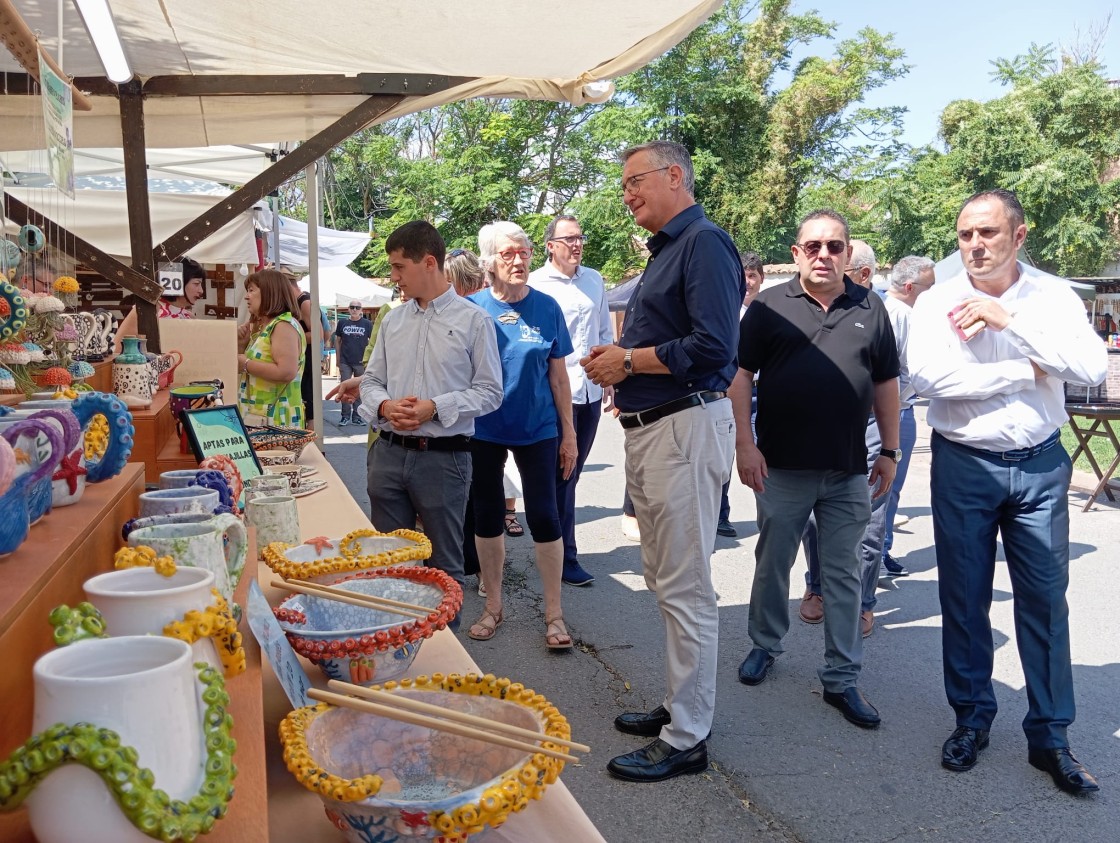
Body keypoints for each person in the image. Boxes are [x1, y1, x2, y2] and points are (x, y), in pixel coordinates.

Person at [908, 189, 1105, 794]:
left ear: (1019, 236)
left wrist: (1008, 322)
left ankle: (1050, 735)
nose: (974, 246)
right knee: (964, 598)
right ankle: (971, 719)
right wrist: (1025, 370)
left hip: (1042, 466)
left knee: (1045, 602)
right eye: (966, 234)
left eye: (988, 233)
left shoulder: (1050, 297)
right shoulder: (938, 298)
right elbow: (926, 377)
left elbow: (1090, 367)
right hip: (965, 463)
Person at [583, 141, 742, 783]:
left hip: (683, 425)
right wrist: (624, 358)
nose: (627, 194)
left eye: (635, 181)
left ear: (676, 176)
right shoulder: (671, 250)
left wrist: (628, 360)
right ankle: (681, 706)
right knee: (665, 580)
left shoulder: (704, 243)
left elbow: (714, 346)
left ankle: (687, 738)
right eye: (624, 184)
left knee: (685, 588)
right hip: (657, 429)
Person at [731, 211, 899, 730]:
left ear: (848, 253)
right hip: (780, 467)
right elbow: (740, 377)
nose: (823, 254)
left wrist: (889, 451)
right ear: (797, 251)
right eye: (813, 246)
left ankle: (842, 678)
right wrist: (744, 442)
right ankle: (765, 644)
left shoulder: (870, 308)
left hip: (849, 470)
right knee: (772, 562)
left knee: (843, 575)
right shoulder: (768, 307)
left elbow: (887, 383)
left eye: (834, 246)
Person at [330, 221, 503, 607]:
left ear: (428, 263)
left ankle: (442, 657)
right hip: (388, 455)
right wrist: (386, 406)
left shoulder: (474, 321)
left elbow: (491, 392)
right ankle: (397, 652)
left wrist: (436, 407)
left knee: (443, 567)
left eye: (398, 267)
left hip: (444, 459)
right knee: (389, 562)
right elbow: (371, 381)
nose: (393, 278)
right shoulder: (393, 319)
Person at [466, 221, 577, 650]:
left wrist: (568, 434)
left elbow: (559, 378)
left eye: (524, 253)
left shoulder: (547, 307)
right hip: (485, 428)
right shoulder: (472, 309)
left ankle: (555, 615)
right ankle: (493, 606)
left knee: (546, 516)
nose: (518, 260)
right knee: (488, 514)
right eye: (508, 254)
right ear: (489, 262)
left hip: (538, 428)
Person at [797, 240, 892, 638]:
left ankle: (863, 603)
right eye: (814, 250)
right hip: (816, 432)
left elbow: (899, 380)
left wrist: (890, 446)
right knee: (814, 519)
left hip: (871, 429)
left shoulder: (886, 312)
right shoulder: (801, 305)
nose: (827, 267)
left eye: (839, 259)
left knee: (868, 522)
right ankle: (818, 588)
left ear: (862, 272)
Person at [529, 214, 614, 587]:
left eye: (580, 237)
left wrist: (610, 375)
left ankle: (554, 546)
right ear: (551, 246)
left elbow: (603, 331)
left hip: (590, 391)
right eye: (568, 239)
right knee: (560, 473)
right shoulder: (534, 283)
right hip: (551, 392)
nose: (576, 245)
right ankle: (564, 555)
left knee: (571, 474)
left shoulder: (594, 280)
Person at [879, 255, 936, 577]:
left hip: (889, 410)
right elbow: (906, 371)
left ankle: (876, 550)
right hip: (896, 412)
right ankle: (879, 552)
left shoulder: (883, 308)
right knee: (888, 486)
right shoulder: (902, 315)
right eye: (931, 287)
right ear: (912, 286)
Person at [716, 250, 766, 538]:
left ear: (761, 278)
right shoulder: (727, 311)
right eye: (743, 276)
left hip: (763, 393)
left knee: (763, 454)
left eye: (752, 276)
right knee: (724, 455)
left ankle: (770, 514)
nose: (748, 282)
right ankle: (721, 515)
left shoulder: (771, 310)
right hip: (728, 392)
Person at [236, 268, 307, 427]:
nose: (247, 296)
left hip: (275, 421)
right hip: (263, 419)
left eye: (251, 290)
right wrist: (242, 344)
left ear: (269, 292)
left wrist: (246, 364)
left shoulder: (283, 326)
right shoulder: (270, 326)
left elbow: (286, 371)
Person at [114, 256, 206, 352]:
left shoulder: (188, 315)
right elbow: (118, 348)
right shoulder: (147, 309)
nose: (201, 291)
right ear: (180, 281)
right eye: (196, 283)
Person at [333, 300, 373, 426]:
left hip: (361, 361)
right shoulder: (342, 322)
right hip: (345, 360)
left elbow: (372, 342)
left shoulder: (367, 324)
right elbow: (337, 341)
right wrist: (338, 359)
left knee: (359, 389)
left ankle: (357, 416)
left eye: (357, 307)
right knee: (344, 389)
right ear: (348, 309)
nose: (355, 309)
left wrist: (370, 360)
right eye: (352, 307)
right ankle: (345, 416)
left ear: (361, 310)